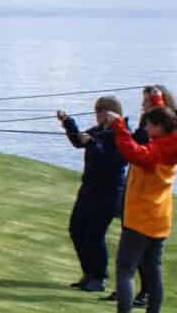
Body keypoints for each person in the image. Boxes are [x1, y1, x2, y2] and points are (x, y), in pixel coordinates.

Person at [99, 99, 177, 313]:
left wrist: (119, 127)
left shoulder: (157, 151)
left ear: (159, 127)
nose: (146, 130)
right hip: (160, 219)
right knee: (152, 270)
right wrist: (156, 102)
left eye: (149, 126)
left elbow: (135, 153)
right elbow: (150, 139)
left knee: (125, 268)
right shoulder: (172, 145)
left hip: (141, 218)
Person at [54, 95, 128, 292]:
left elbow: (114, 160)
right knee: (76, 230)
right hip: (88, 190)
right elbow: (79, 141)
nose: (96, 115)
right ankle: (89, 273)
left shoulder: (122, 135)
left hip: (108, 194)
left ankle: (99, 277)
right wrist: (67, 122)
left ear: (109, 113)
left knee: (94, 236)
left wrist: (92, 144)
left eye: (99, 112)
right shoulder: (99, 131)